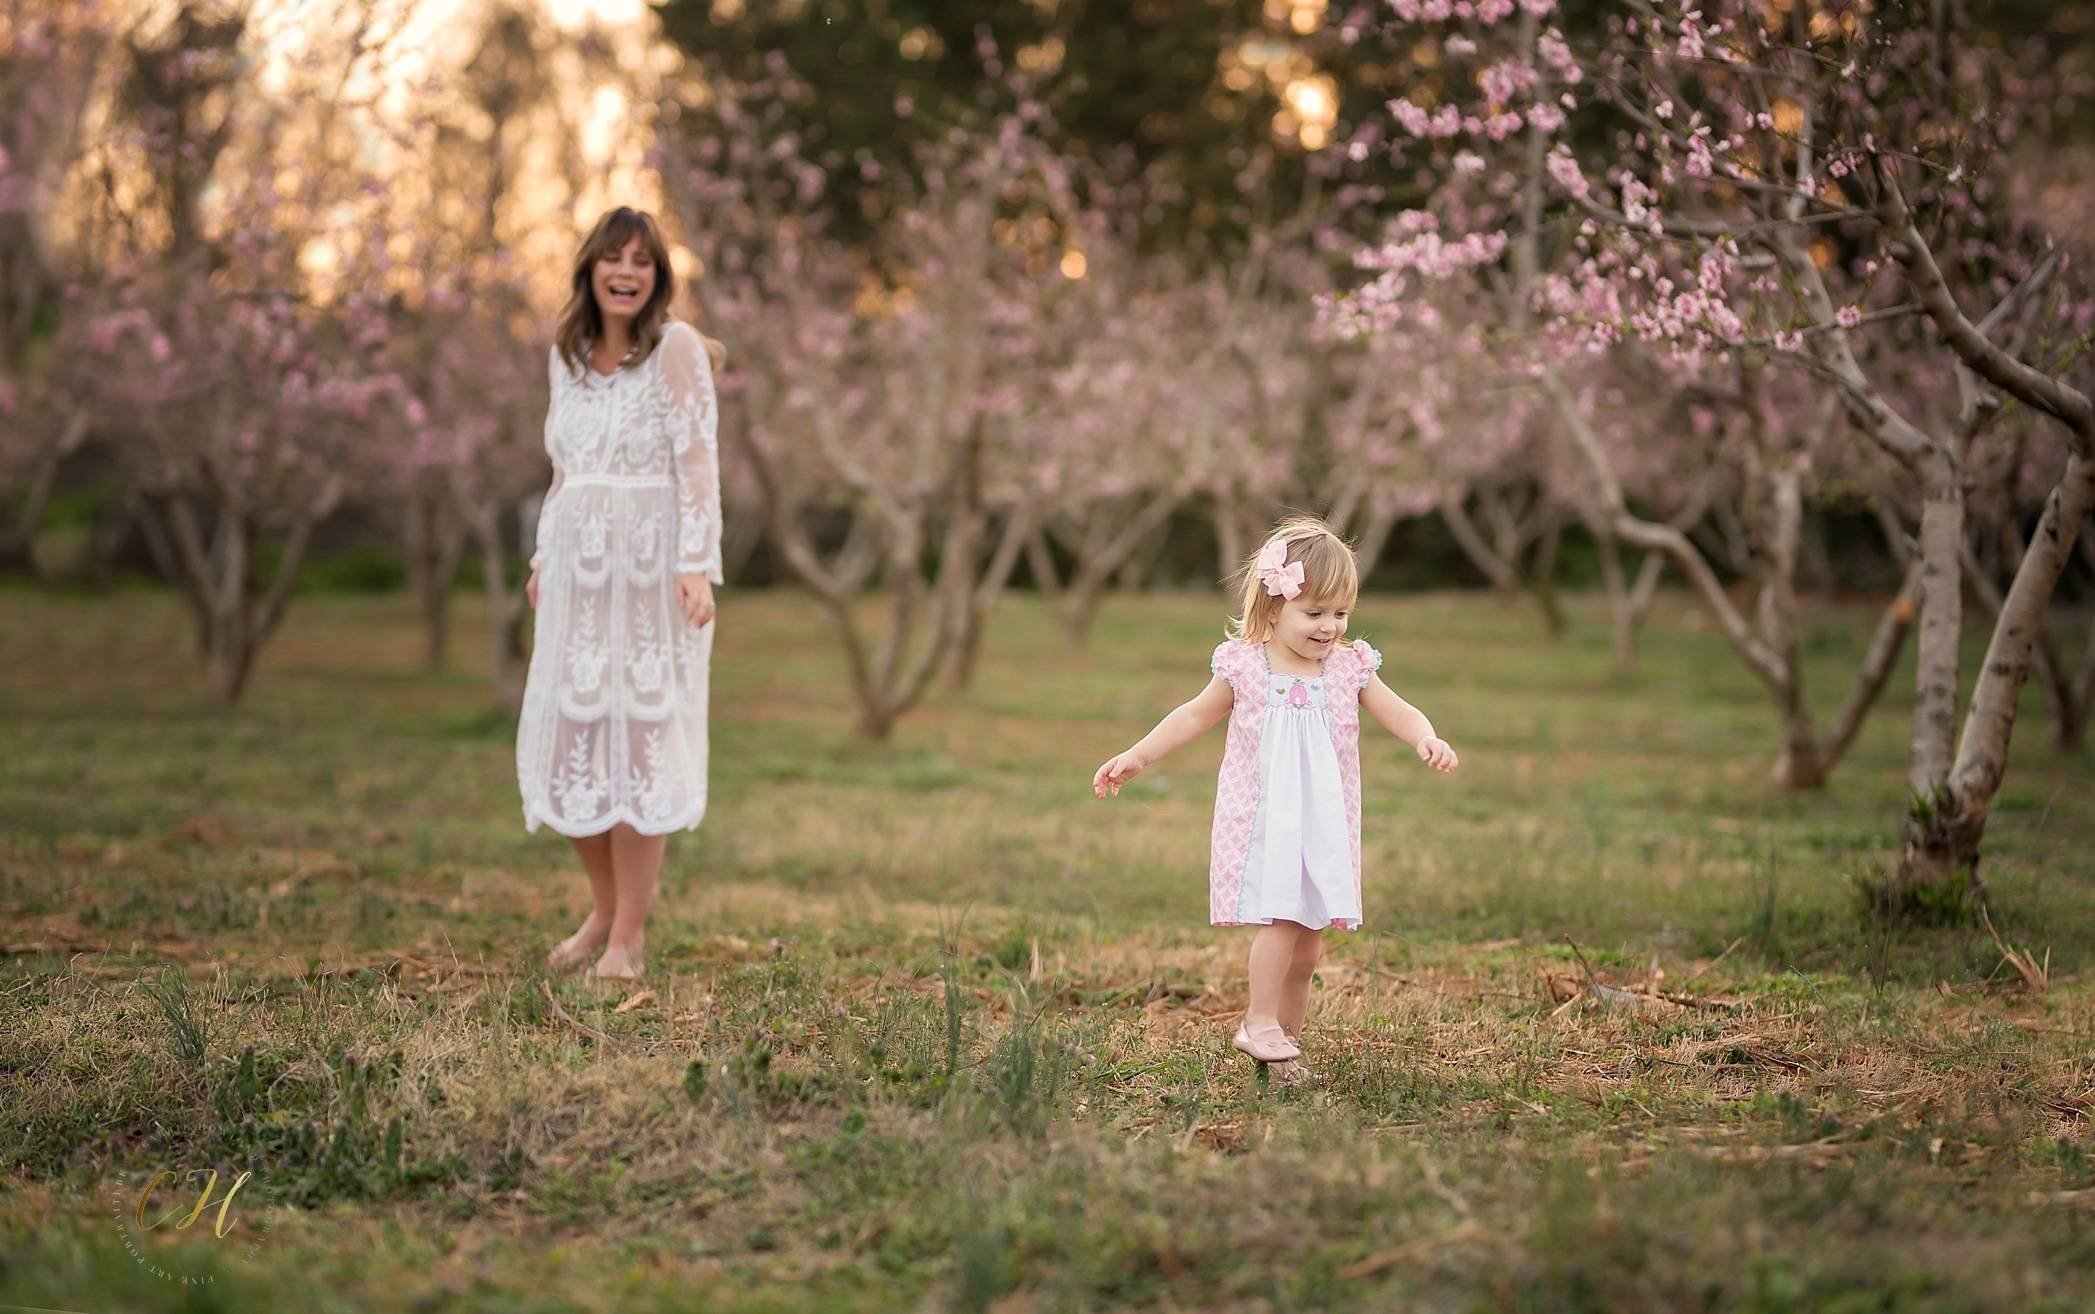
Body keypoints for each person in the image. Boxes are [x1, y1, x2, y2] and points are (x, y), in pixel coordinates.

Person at [1092, 517, 1458, 1074]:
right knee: (1283, 920)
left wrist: (1426, 736)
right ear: (1272, 608)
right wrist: (1138, 755)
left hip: (1325, 820)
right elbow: (1193, 714)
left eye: (1340, 613)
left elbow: (1398, 710)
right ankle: (1258, 1019)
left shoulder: (1350, 667)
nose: (1329, 627)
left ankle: (1283, 1046)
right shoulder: (1245, 666)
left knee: (1309, 941)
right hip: (1267, 817)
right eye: (1314, 613)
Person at [517, 207, 724, 981]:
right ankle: (601, 909)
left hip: (651, 572)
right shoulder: (564, 357)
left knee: (639, 741)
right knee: (574, 737)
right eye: (613, 257)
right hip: (577, 570)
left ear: (658, 274)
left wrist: (695, 563)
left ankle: (628, 937)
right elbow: (562, 471)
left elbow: (699, 463)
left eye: (641, 259)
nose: (626, 271)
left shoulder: (674, 350)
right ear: (591, 270)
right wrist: (544, 558)